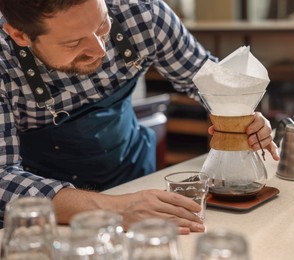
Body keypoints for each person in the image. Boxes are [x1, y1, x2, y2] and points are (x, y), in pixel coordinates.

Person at [0, 0, 279, 234]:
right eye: (74, 42)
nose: (100, 50)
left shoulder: (143, 15)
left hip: (134, 181)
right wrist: (116, 208)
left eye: (102, 25)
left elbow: (210, 81)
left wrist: (242, 115)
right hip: (51, 218)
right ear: (20, 35)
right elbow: (3, 178)